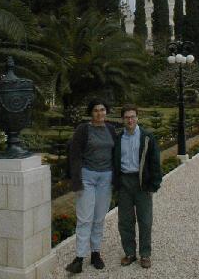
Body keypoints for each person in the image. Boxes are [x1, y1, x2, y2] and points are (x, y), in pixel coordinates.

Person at [65, 99, 116, 274]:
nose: (99, 113)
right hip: (87, 177)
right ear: (91, 113)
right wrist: (76, 180)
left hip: (106, 178)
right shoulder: (83, 130)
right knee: (85, 218)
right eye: (96, 110)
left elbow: (115, 153)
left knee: (99, 218)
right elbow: (74, 155)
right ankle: (79, 257)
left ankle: (95, 253)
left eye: (102, 110)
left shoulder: (110, 129)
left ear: (106, 112)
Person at [114, 104, 162, 269]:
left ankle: (145, 254)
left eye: (132, 116)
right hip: (124, 183)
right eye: (127, 117)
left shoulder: (147, 136)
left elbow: (155, 161)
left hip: (142, 183)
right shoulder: (118, 138)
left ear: (137, 118)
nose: (130, 120)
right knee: (125, 221)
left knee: (145, 220)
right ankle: (129, 253)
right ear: (122, 119)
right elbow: (114, 162)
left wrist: (154, 184)